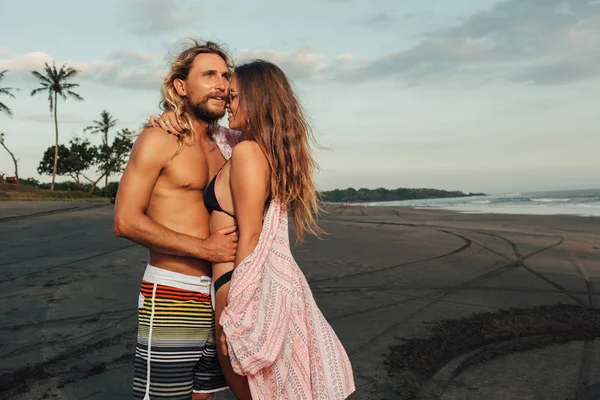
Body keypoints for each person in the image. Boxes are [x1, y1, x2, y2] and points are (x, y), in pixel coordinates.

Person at [155, 60, 356, 399]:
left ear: (256, 100)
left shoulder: (248, 153)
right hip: (243, 284)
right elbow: (208, 131)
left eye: (234, 96)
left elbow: (249, 234)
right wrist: (170, 116)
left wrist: (239, 313)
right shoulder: (256, 148)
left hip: (234, 285)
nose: (228, 102)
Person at [113, 40, 239, 400]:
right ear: (181, 87)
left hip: (221, 294)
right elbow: (125, 220)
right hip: (173, 292)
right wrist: (205, 248)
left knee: (206, 395)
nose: (221, 84)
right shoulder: (159, 138)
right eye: (209, 75)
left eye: (225, 76)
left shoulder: (229, 145)